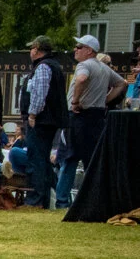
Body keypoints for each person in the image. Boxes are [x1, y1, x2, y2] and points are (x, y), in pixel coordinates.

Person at [54, 35, 129, 208]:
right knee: (91, 161)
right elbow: (122, 84)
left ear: (89, 50)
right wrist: (105, 100)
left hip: (78, 115)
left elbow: (81, 79)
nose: (75, 49)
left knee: (69, 158)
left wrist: (75, 101)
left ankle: (62, 202)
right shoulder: (103, 68)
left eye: (79, 46)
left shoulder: (84, 65)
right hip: (96, 117)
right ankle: (92, 201)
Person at [19, 35, 67, 208]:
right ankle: (44, 199)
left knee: (36, 159)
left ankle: (35, 200)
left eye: (32, 48)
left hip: (41, 121)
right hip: (50, 120)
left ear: (37, 49)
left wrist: (32, 115)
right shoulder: (53, 65)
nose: (30, 52)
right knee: (42, 159)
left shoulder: (43, 67)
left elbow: (39, 93)